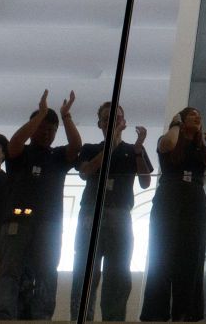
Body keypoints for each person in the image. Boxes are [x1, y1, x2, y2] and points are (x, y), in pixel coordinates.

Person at [0, 90, 81, 320]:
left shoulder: (57, 156)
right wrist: (40, 114)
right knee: (10, 271)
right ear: (34, 128)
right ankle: (5, 314)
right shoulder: (22, 153)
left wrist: (66, 117)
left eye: (52, 130)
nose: (48, 133)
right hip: (17, 221)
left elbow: (76, 145)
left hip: (49, 224)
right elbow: (14, 143)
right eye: (43, 128)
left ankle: (41, 316)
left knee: (46, 271)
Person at [140, 106, 206, 321]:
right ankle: (156, 314)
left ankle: (185, 313)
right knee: (162, 253)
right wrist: (176, 124)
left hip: (195, 199)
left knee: (192, 256)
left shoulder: (200, 148)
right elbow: (167, 144)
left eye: (200, 116)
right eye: (192, 115)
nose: (197, 118)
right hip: (169, 195)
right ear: (180, 119)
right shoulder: (169, 139)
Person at [71, 102, 152, 321]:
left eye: (117, 118)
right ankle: (81, 318)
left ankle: (113, 319)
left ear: (124, 123)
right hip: (92, 211)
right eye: (107, 118)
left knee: (118, 272)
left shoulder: (133, 149)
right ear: (100, 123)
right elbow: (86, 172)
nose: (112, 122)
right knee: (86, 269)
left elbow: (145, 182)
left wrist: (137, 151)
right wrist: (110, 145)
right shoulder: (89, 148)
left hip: (121, 213)